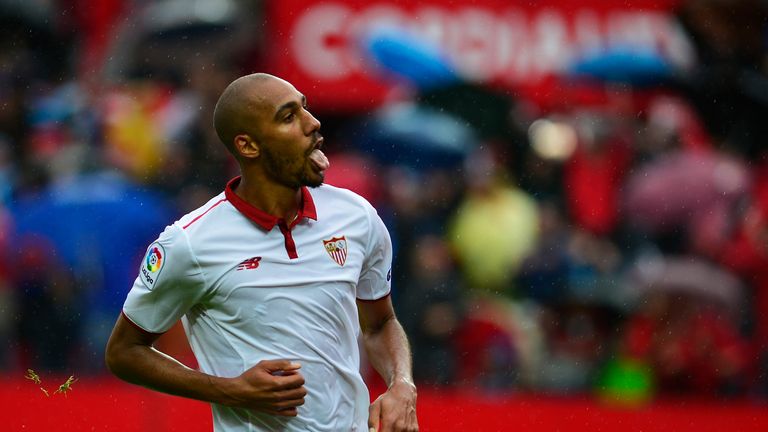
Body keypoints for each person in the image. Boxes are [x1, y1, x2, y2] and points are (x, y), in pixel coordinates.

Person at [105, 73, 418, 432]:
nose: (312, 123)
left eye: (304, 108)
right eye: (288, 117)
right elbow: (124, 352)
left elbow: (379, 324)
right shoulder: (190, 243)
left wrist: (402, 384)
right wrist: (232, 391)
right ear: (248, 146)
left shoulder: (357, 217)